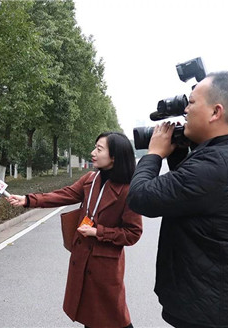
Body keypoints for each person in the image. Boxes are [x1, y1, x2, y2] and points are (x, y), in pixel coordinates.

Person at [127, 72, 228, 328]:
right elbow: (188, 194)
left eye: (191, 103)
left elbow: (140, 197)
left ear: (215, 112)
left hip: (214, 312)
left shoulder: (215, 164)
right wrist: (177, 153)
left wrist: (154, 154)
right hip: (220, 302)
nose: (185, 111)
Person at [8, 132, 142, 328]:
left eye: (99, 149)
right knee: (90, 318)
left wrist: (99, 232)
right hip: (81, 259)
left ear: (114, 156)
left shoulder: (129, 190)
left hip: (105, 266)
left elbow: (133, 233)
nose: (92, 152)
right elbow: (64, 195)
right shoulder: (91, 179)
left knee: (115, 319)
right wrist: (28, 200)